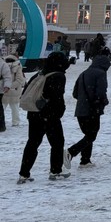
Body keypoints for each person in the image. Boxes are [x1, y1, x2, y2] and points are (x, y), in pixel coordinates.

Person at [18, 52, 72, 184]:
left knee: (32, 143)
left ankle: (24, 173)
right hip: (49, 115)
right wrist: (59, 112)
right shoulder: (58, 76)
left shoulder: (40, 74)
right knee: (57, 142)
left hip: (34, 113)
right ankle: (56, 171)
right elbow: (56, 97)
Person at [65, 51, 110, 167]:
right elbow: (101, 92)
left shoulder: (83, 73)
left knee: (88, 135)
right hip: (92, 109)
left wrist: (83, 99)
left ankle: (85, 160)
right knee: (91, 135)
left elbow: (75, 93)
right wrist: (103, 101)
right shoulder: (100, 74)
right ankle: (71, 152)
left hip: (81, 110)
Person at [3, 54, 26, 128]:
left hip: (3, 90)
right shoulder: (18, 65)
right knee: (15, 107)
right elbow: (20, 79)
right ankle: (15, 122)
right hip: (15, 90)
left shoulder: (2, 64)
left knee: (2, 107)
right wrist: (11, 86)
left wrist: (5, 86)